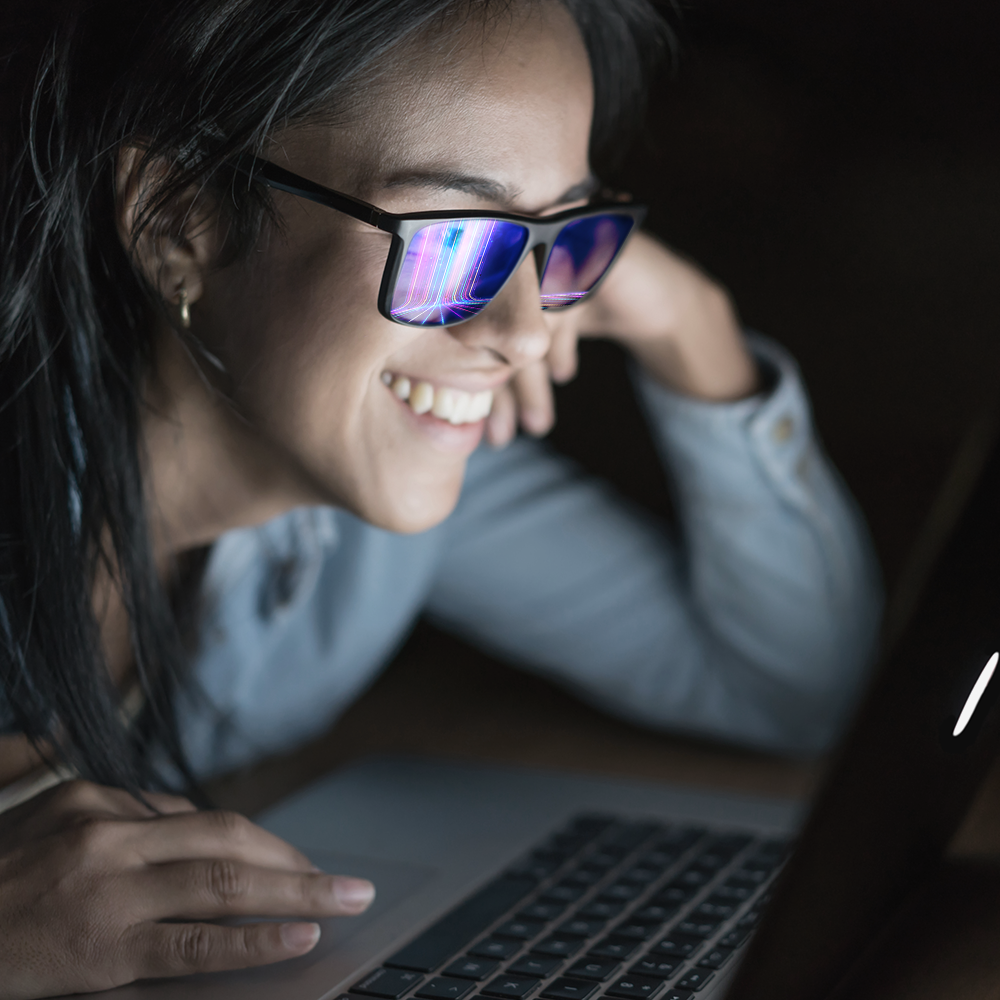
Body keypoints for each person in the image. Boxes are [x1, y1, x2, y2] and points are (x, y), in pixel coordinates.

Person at [0, 0, 881, 995]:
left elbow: (797, 688)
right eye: (454, 236)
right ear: (178, 220)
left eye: (562, 240)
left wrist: (693, 326)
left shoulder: (392, 473)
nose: (528, 333)